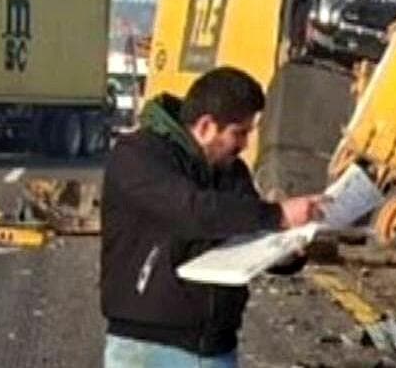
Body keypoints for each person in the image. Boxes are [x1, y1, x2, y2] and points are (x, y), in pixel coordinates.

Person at [99, 67, 326, 367]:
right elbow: (192, 211)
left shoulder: (234, 172)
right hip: (146, 347)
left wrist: (286, 250)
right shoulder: (138, 155)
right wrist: (278, 214)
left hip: (217, 347)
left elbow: (250, 232)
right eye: (239, 132)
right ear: (206, 126)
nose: (245, 144)